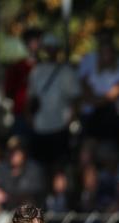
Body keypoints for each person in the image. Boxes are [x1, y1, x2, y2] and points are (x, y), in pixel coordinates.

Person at [27, 33, 80, 169]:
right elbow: (30, 99)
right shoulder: (36, 71)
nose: (50, 51)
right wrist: (31, 121)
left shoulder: (67, 71)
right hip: (40, 126)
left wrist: (69, 122)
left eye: (53, 48)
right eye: (47, 48)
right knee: (41, 165)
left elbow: (75, 99)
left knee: (59, 166)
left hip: (60, 126)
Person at [4, 28, 42, 135]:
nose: (35, 45)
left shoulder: (45, 66)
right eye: (32, 41)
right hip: (21, 115)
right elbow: (9, 92)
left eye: (38, 41)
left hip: (42, 115)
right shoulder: (17, 67)